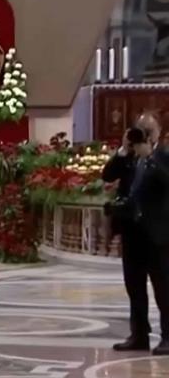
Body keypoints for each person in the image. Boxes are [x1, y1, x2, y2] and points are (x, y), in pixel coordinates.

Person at [103, 113, 169, 355]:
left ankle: (168, 337)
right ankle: (139, 334)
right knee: (135, 288)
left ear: (156, 134)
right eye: (138, 130)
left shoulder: (163, 156)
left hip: (158, 234)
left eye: (146, 131)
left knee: (163, 288)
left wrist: (150, 156)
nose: (142, 134)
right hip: (133, 233)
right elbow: (107, 175)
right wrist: (122, 150)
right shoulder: (128, 158)